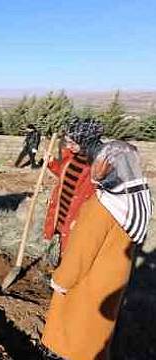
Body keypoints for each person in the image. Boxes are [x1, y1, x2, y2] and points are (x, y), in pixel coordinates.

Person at [41, 121, 152, 360]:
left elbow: (81, 253)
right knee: (96, 336)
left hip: (90, 281)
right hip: (111, 280)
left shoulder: (102, 206)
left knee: (76, 334)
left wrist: (60, 280)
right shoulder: (132, 199)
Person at [43, 117, 98, 266]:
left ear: (85, 141)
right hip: (63, 210)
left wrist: (83, 219)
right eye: (67, 141)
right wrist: (51, 163)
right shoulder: (72, 156)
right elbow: (64, 173)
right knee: (62, 243)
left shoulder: (97, 165)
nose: (69, 145)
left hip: (77, 217)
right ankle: (59, 271)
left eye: (73, 142)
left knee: (74, 250)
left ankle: (66, 280)